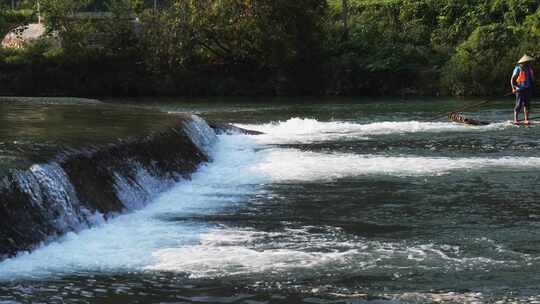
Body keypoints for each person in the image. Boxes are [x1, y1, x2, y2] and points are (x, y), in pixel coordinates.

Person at [511, 54, 535, 124]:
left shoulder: (529, 69)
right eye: (527, 62)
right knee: (518, 105)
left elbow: (532, 79)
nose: (528, 63)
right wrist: (513, 88)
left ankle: (526, 119)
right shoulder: (517, 68)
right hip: (519, 89)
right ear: (524, 62)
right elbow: (512, 79)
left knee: (527, 105)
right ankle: (516, 119)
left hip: (528, 89)